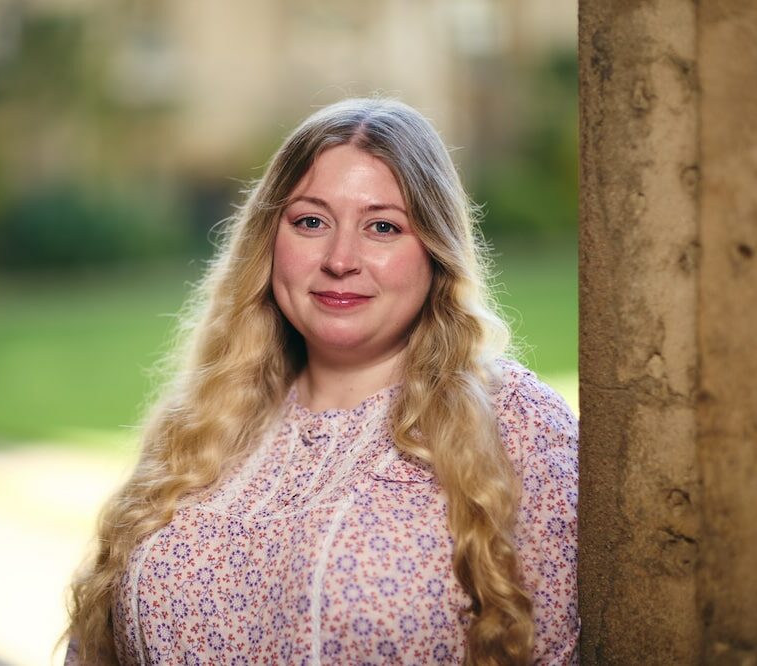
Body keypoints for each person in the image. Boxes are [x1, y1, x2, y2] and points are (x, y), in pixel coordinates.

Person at [64, 98, 578, 665]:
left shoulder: (520, 425)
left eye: (383, 227)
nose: (340, 258)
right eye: (311, 221)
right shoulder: (205, 425)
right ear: (270, 240)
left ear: (435, 251)